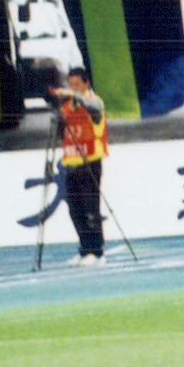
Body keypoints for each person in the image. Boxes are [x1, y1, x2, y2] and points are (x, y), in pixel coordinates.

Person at [48, 67, 107, 266]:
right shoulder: (68, 106)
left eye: (77, 85)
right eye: (70, 85)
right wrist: (56, 110)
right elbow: (60, 133)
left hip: (90, 162)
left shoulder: (95, 102)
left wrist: (73, 95)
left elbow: (92, 107)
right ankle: (84, 249)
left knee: (91, 209)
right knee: (75, 210)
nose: (72, 89)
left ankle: (97, 251)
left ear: (86, 83)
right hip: (71, 163)